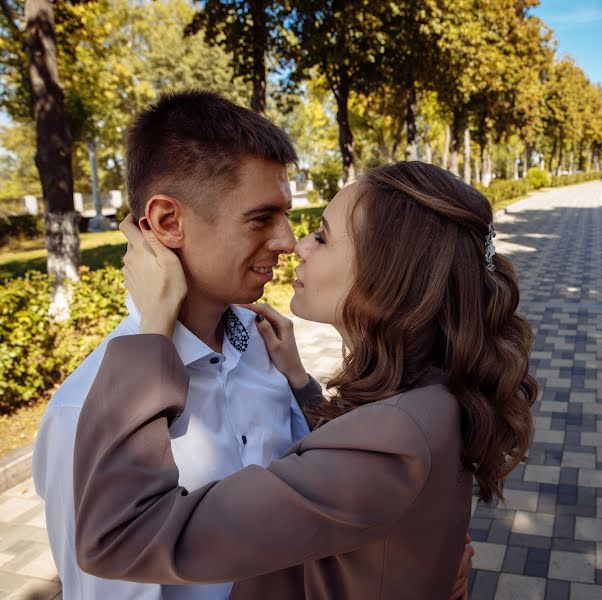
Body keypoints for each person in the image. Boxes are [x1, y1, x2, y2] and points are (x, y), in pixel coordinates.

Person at [32, 91, 474, 599]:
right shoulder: (83, 413)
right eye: (261, 218)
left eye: (289, 216)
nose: (290, 241)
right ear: (168, 222)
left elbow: (318, 488)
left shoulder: (265, 347)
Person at [71, 161, 538, 599]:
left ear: (386, 276)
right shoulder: (434, 387)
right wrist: (299, 381)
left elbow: (118, 537)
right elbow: (358, 468)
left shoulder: (396, 438)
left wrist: (152, 332)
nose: (296, 245)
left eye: (322, 236)